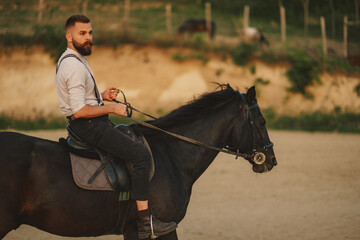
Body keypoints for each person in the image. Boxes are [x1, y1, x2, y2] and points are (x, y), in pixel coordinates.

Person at [55, 14, 177, 239]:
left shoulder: (75, 60)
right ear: (68, 36)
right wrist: (112, 109)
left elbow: (81, 100)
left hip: (90, 122)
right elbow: (79, 110)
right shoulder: (73, 65)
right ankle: (143, 222)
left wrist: (100, 97)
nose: (88, 37)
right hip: (88, 125)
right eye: (82, 34)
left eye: (90, 32)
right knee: (141, 155)